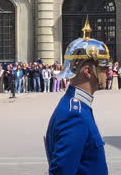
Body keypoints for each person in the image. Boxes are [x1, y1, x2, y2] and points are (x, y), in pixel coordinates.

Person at [45, 18, 110, 174]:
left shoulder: (77, 106)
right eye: (103, 67)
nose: (108, 72)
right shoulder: (74, 115)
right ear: (88, 71)